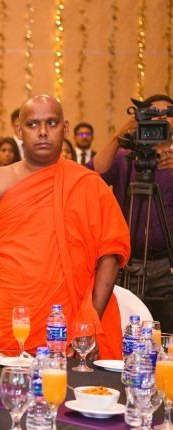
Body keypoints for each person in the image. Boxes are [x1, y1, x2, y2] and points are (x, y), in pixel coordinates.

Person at [0, 95, 130, 359]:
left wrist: (90, 320)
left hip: (68, 318)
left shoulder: (87, 183)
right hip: (12, 310)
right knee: (5, 380)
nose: (42, 132)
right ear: (19, 130)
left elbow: (111, 253)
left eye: (51, 123)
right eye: (32, 124)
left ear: (65, 128)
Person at [88, 94, 173, 331]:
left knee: (166, 332)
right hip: (127, 263)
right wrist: (121, 135)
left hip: (166, 265)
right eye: (153, 114)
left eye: (166, 113)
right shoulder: (126, 157)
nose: (160, 119)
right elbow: (93, 174)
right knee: (123, 328)